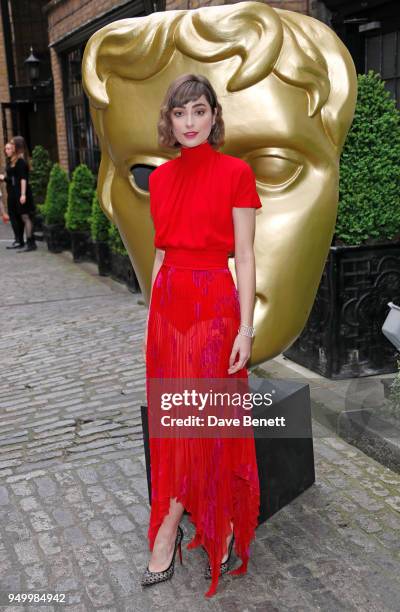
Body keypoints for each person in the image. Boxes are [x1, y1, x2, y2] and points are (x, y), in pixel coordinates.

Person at [142, 74, 262, 598]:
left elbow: (248, 254)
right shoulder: (160, 180)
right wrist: (150, 314)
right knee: (174, 424)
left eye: (198, 111)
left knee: (207, 421)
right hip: (168, 311)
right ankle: (172, 523)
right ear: (168, 121)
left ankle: (204, 523)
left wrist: (247, 328)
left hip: (214, 306)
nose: (189, 122)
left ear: (214, 115)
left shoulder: (236, 173)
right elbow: (160, 254)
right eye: (179, 113)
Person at [10, 136, 37, 253]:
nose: (11, 145)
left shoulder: (21, 161)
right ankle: (30, 241)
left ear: (17, 146)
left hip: (23, 192)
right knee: (24, 217)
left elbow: (23, 179)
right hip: (20, 192)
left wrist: (23, 194)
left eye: (12, 144)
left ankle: (31, 243)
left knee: (25, 217)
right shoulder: (19, 160)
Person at [0, 141, 25, 249]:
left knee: (16, 216)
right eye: (6, 149)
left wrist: (3, 178)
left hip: (16, 192)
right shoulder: (10, 161)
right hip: (11, 191)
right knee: (14, 216)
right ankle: (18, 239)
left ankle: (19, 240)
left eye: (9, 148)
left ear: (14, 149)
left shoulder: (18, 162)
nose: (7, 151)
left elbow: (16, 180)